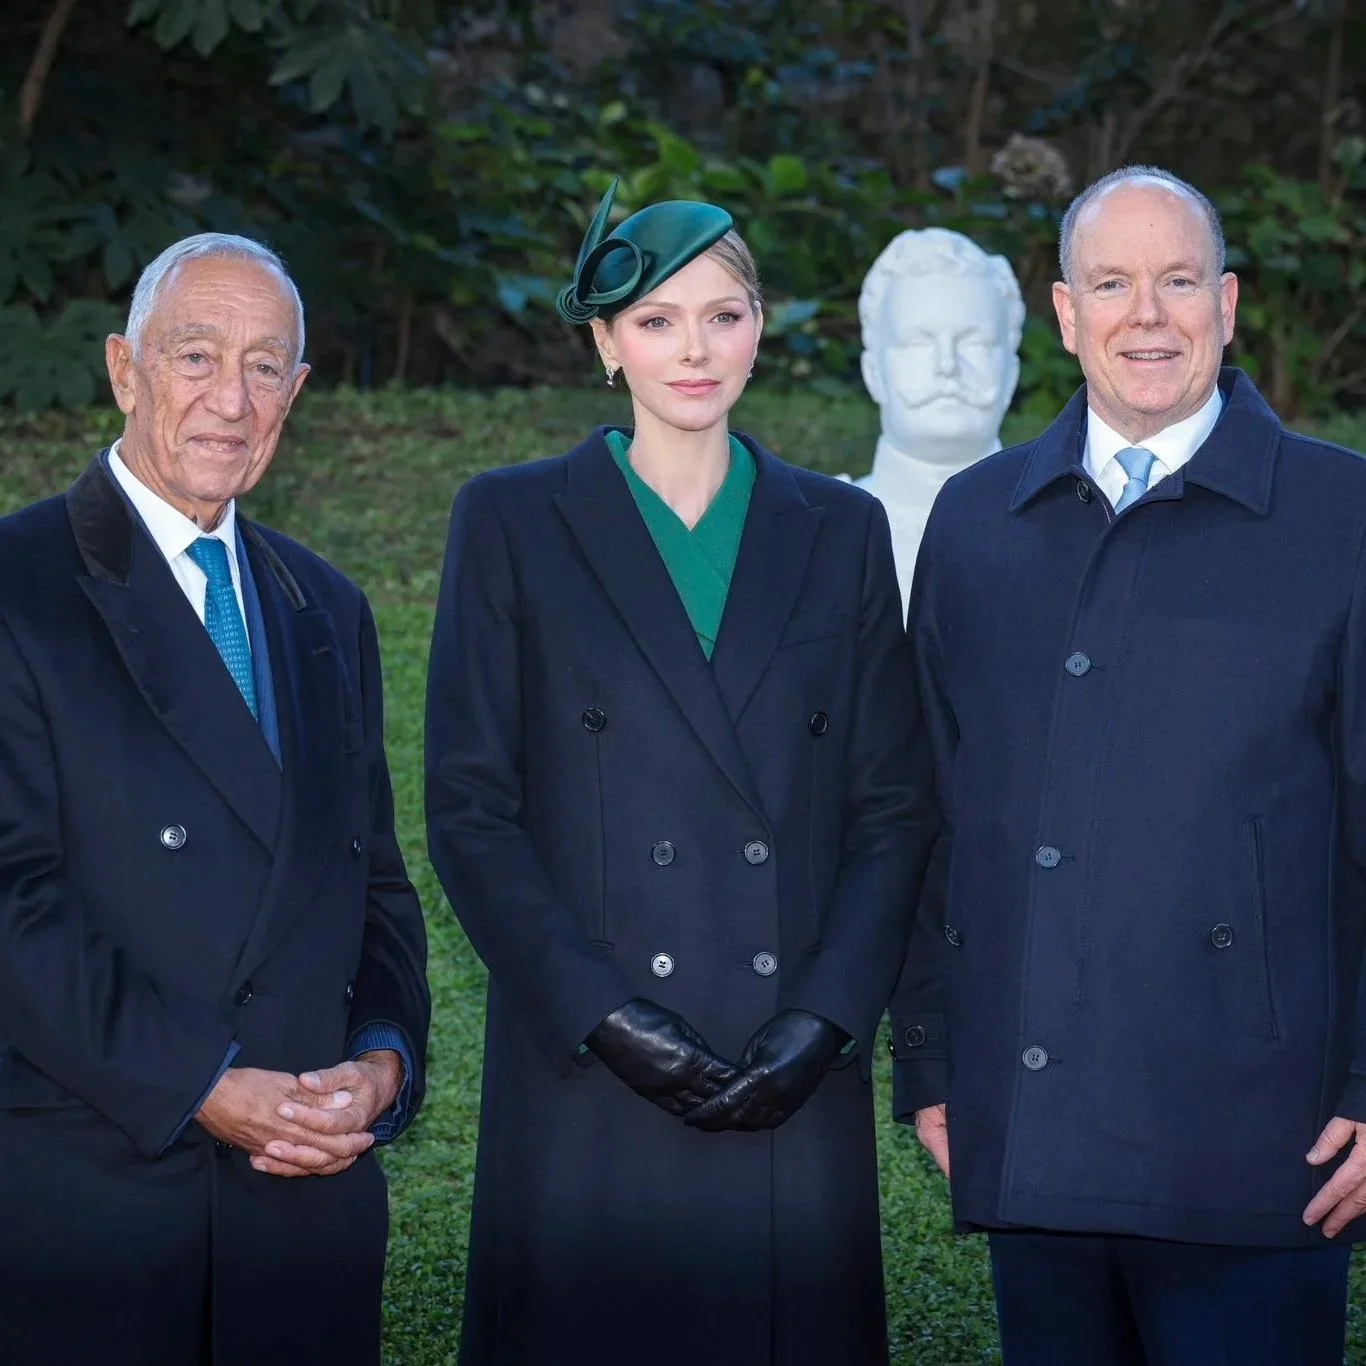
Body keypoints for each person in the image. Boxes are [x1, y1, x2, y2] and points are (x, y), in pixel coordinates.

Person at [426, 178, 937, 1366]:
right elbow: (469, 808)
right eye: (655, 319)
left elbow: (892, 806)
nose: (694, 348)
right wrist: (603, 1016)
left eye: (724, 313)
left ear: (762, 325)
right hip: (588, 1071)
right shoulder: (509, 520)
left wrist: (823, 1019)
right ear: (604, 342)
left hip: (784, 1067)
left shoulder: (839, 529)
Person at [890, 164, 1366, 1365]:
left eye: (1177, 281)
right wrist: (933, 1059)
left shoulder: (1340, 515)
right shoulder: (977, 521)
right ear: (1062, 313)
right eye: (1112, 283)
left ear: (1228, 301)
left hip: (1264, 1143)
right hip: (1035, 1125)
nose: (1146, 315)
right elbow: (933, 813)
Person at [0, 232, 431, 1366]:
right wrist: (196, 1082)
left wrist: (382, 1061)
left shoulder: (324, 606)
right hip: (92, 1194)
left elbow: (372, 882)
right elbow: (10, 903)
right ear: (124, 369)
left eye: (263, 367)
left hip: (300, 1212)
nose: (229, 401)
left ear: (294, 394)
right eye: (196, 357)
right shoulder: (20, 585)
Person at [850, 227, 1026, 612]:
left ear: (1011, 371)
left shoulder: (1069, 534)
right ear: (872, 371)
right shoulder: (818, 534)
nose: (947, 366)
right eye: (917, 342)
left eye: (975, 342)